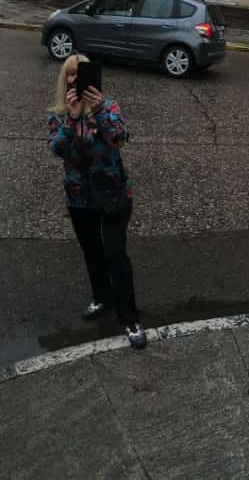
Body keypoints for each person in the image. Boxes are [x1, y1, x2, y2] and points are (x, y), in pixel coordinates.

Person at [47, 54, 147, 350]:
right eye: (71, 74)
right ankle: (102, 298)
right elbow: (57, 149)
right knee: (93, 252)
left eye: (82, 73)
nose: (76, 79)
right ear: (64, 80)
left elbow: (120, 137)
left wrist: (99, 109)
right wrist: (73, 119)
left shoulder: (109, 106)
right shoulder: (58, 115)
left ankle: (130, 317)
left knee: (115, 254)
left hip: (114, 193)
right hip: (79, 197)